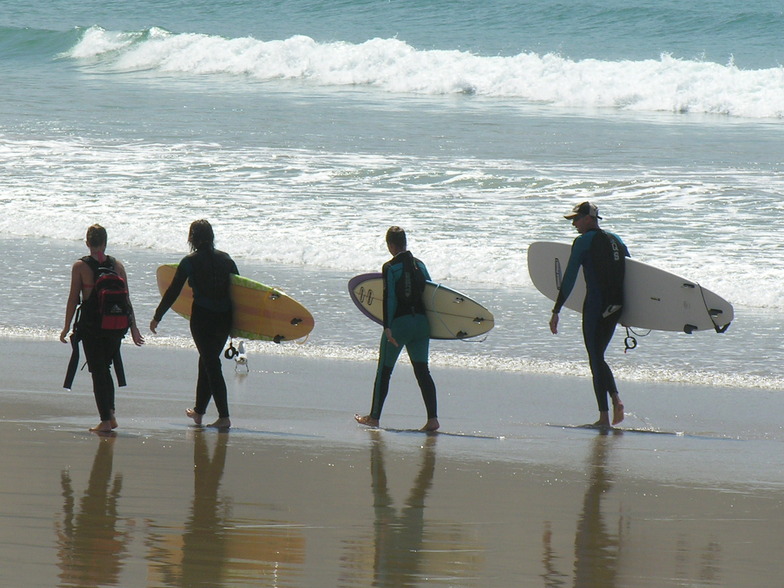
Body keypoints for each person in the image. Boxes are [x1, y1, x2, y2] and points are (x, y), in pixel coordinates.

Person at [150, 220, 238, 429]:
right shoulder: (226, 259)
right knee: (207, 361)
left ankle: (224, 417)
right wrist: (238, 325)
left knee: (211, 364)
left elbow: (173, 291)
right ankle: (199, 412)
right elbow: (239, 293)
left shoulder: (190, 261)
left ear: (192, 238)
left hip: (203, 319)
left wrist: (157, 316)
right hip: (224, 319)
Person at [549, 202, 629, 428]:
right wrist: (630, 312)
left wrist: (557, 310)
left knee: (595, 358)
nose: (573, 224)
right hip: (617, 305)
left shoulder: (583, 242)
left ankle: (605, 417)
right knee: (599, 356)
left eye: (576, 219)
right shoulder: (617, 240)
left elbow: (570, 277)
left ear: (588, 219)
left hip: (596, 305)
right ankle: (615, 400)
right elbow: (632, 273)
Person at [60, 224, 144, 433]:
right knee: (105, 368)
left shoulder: (80, 267)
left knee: (98, 371)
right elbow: (126, 300)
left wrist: (66, 327)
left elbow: (73, 299)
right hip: (117, 326)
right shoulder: (118, 265)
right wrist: (134, 329)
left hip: (93, 325)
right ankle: (111, 414)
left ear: (87, 243)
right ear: (105, 243)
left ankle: (106, 420)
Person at [355, 226, 440, 432]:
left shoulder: (390, 267)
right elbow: (432, 293)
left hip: (400, 325)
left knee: (384, 370)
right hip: (421, 324)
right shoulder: (420, 265)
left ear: (391, 245)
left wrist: (388, 327)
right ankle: (432, 419)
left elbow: (390, 297)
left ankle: (374, 418)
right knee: (422, 372)